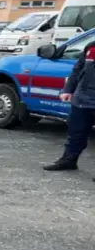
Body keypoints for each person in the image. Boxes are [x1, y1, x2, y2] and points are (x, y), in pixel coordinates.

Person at [43, 40, 95, 175]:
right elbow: (77, 69)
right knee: (76, 132)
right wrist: (68, 89)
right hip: (82, 99)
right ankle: (69, 160)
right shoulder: (91, 46)